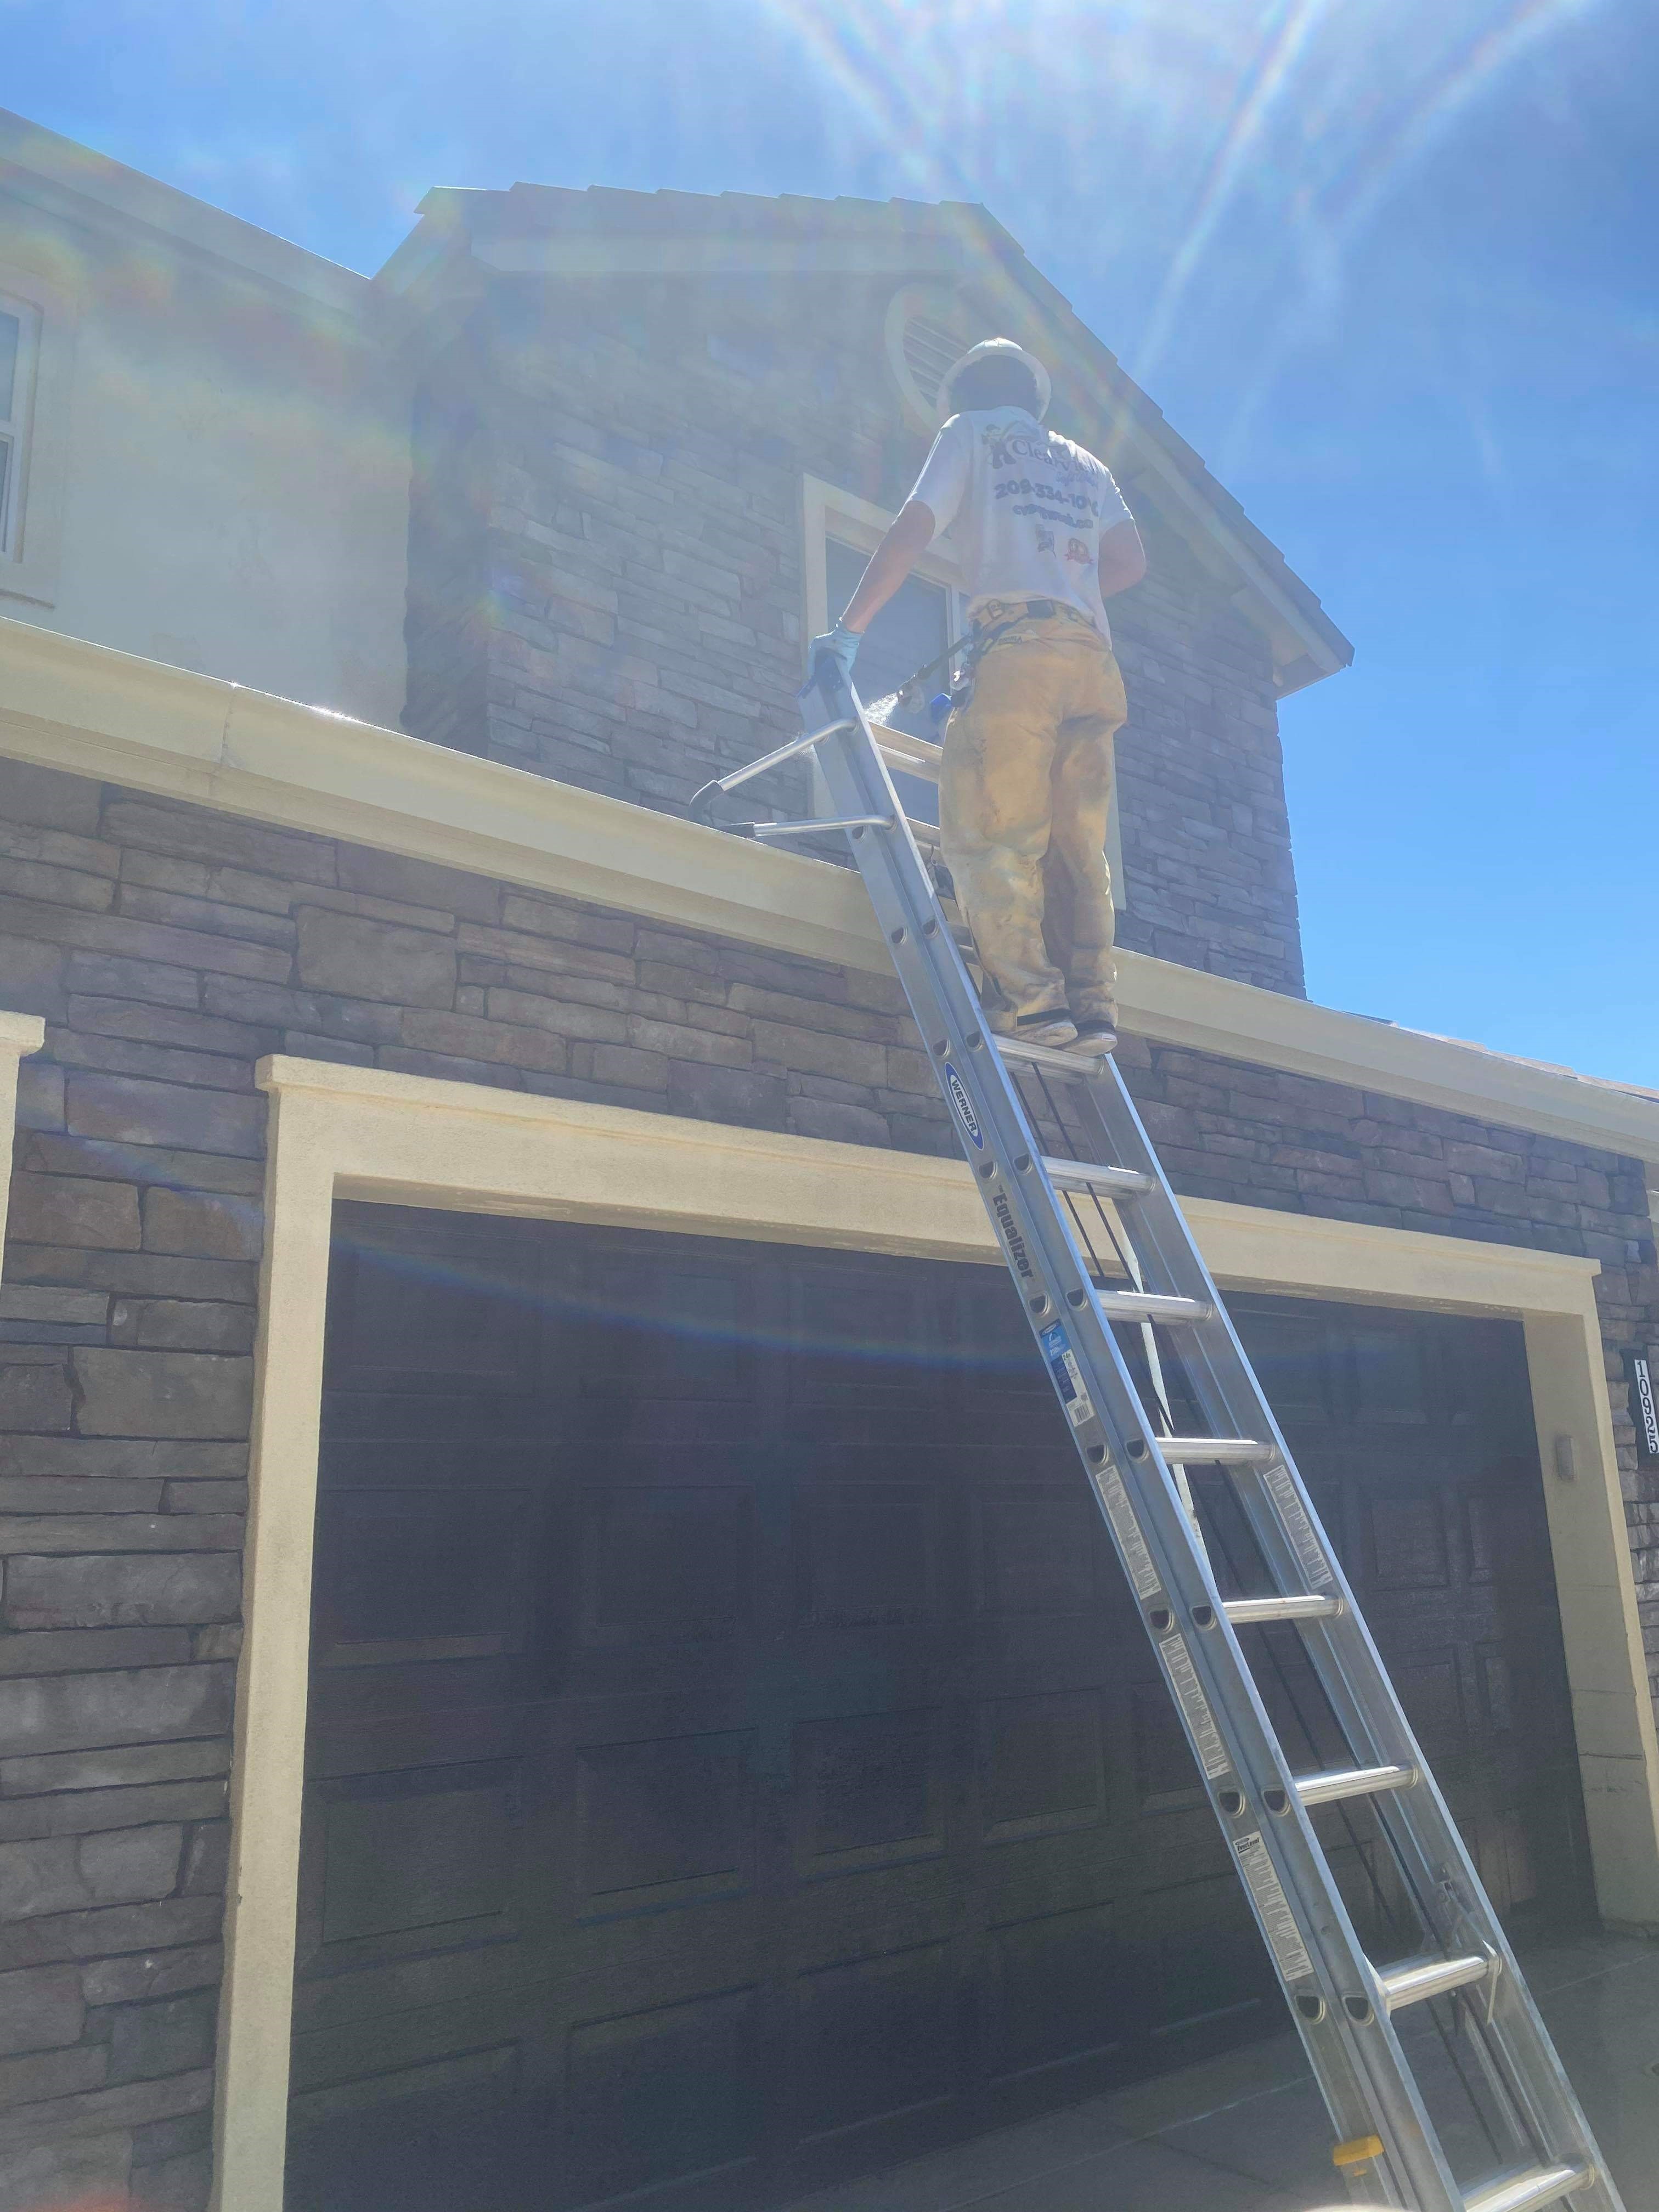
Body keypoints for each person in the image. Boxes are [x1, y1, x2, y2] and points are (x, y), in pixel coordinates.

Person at [806, 338, 1146, 1053]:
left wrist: (849, 631)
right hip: (1091, 659)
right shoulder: (1085, 463)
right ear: (1033, 398)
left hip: (1017, 652)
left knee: (994, 830)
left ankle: (1029, 1003)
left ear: (967, 395)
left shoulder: (970, 434)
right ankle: (1093, 1008)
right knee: (1079, 846)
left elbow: (915, 527)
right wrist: (1063, 594)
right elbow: (1129, 562)